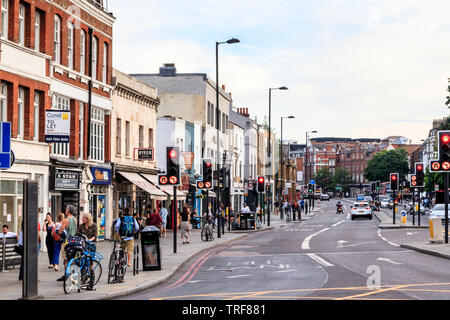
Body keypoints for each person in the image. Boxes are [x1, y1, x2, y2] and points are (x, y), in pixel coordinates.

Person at [56, 205, 77, 281]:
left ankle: (66, 275)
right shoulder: (75, 219)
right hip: (74, 241)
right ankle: (72, 274)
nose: (65, 210)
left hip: (66, 242)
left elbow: (60, 231)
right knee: (72, 258)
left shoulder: (66, 220)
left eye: (66, 209)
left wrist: (59, 233)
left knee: (65, 259)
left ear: (68, 211)